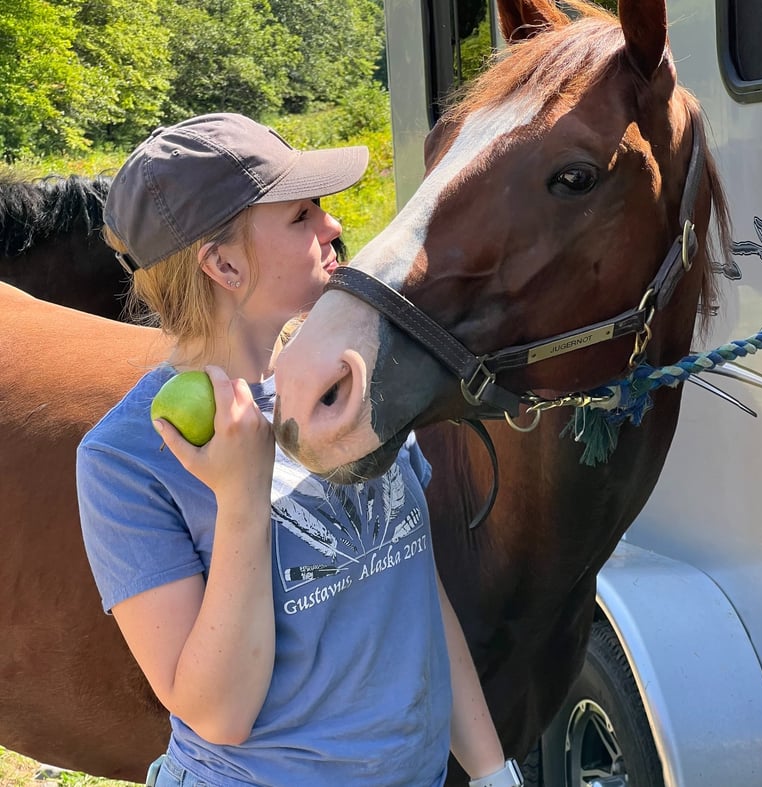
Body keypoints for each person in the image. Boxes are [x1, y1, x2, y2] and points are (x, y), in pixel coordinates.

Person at [76, 112, 521, 787]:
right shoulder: (126, 458)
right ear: (224, 264)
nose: (333, 226)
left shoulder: (348, 383)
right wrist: (240, 496)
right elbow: (219, 714)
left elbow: (418, 598)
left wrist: (492, 774)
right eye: (301, 216)